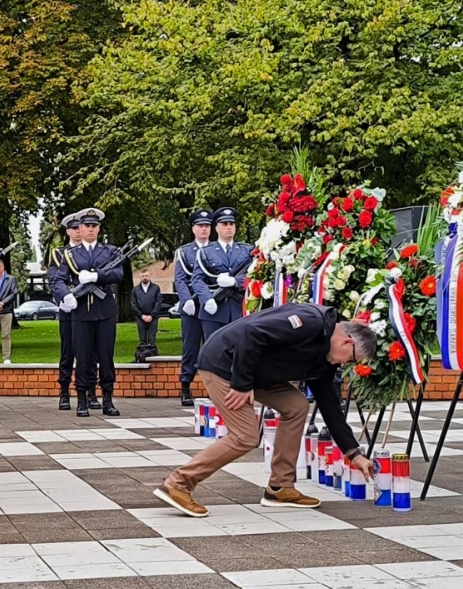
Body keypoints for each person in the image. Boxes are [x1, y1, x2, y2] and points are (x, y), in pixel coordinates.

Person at [154, 303, 378, 517]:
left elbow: (330, 406)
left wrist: (353, 453)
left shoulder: (325, 360)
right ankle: (178, 484)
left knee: (297, 406)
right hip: (224, 364)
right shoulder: (310, 323)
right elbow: (252, 332)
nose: (345, 365)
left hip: (255, 375)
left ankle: (280, 487)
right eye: (351, 360)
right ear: (347, 343)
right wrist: (241, 383)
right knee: (245, 436)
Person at [54, 208, 123, 417]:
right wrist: (66, 295)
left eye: (94, 226)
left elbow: (118, 274)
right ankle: (82, 399)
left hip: (105, 312)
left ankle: (108, 399)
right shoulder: (70, 254)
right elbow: (58, 279)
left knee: (106, 356)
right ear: (80, 229)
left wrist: (96, 276)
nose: (90, 229)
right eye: (86, 226)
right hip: (81, 313)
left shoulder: (110, 251)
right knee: (82, 357)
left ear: (98, 229)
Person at [47, 213, 93, 411]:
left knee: (90, 352)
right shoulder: (59, 254)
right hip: (69, 307)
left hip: (88, 307)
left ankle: (91, 392)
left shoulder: (90, 253)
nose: (77, 232)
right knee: (68, 352)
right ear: (68, 231)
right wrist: (63, 298)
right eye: (74, 229)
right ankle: (64, 392)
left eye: (79, 228)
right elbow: (54, 279)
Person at [192, 207, 253, 340]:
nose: (229, 227)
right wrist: (207, 299)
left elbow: (254, 276)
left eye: (231, 224)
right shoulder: (205, 252)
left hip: (239, 308)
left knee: (241, 351)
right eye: (224, 224)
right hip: (214, 310)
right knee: (213, 353)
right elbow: (197, 279)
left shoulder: (247, 250)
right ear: (216, 228)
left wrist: (236, 282)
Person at [174, 209, 212, 407]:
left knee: (214, 347)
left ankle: (215, 387)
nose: (204, 229)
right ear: (193, 229)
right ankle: (186, 387)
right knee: (190, 348)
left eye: (207, 226)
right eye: (200, 226)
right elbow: (180, 279)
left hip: (212, 305)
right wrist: (186, 299)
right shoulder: (184, 252)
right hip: (191, 306)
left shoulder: (215, 250)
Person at [131, 268, 161, 347]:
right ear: (140, 277)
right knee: (142, 340)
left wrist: (152, 315)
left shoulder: (155, 288)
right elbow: (133, 304)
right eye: (143, 276)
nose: (145, 277)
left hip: (153, 317)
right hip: (140, 317)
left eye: (146, 276)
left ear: (149, 275)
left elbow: (158, 302)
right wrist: (141, 315)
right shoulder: (135, 290)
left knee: (152, 340)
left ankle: (152, 353)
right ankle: (142, 355)